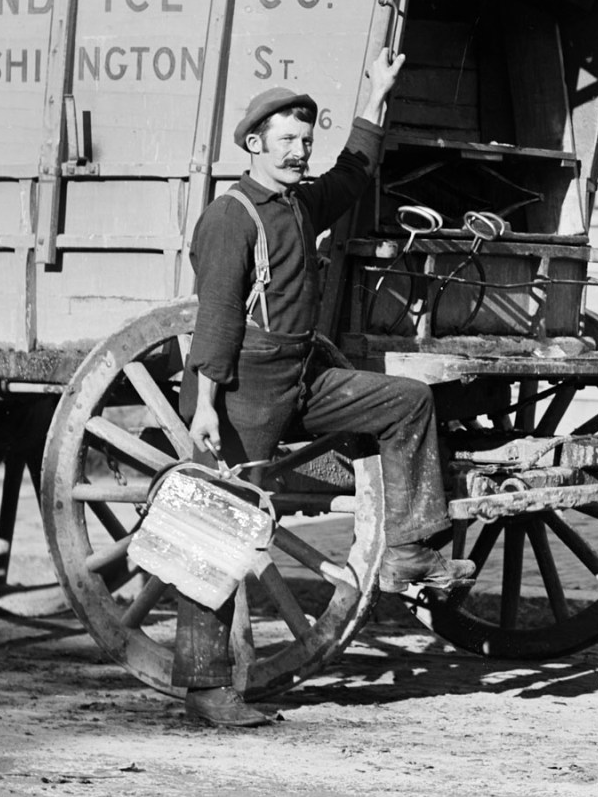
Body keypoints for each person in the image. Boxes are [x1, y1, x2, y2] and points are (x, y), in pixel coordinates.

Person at [170, 51, 472, 729]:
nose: (301, 153)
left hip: (303, 374)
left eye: (306, 141)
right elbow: (215, 313)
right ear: (254, 145)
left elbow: (354, 171)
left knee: (406, 400)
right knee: (219, 531)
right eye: (287, 142)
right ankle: (205, 689)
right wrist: (204, 405)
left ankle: (407, 551)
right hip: (244, 382)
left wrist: (377, 92)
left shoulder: (300, 202)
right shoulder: (232, 216)